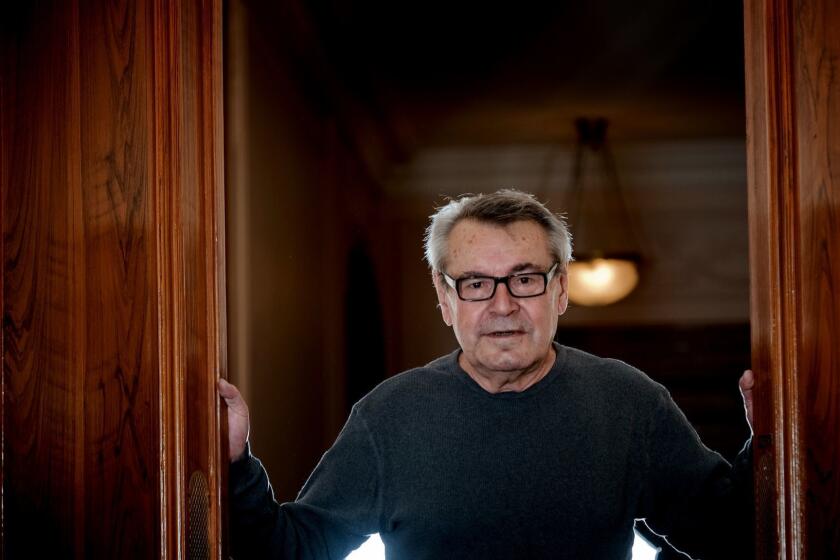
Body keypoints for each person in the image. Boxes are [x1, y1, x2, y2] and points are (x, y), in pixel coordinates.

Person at [219, 189, 755, 559]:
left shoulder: (629, 403)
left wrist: (770, 440)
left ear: (560, 290)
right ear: (444, 298)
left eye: (525, 279)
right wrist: (237, 462)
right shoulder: (390, 417)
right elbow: (290, 550)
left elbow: (735, 537)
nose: (502, 306)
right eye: (476, 283)